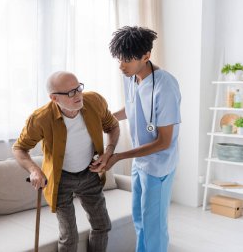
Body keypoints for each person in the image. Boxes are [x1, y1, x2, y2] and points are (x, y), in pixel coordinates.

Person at [93, 26, 181, 252]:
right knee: (140, 221)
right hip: (139, 162)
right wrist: (105, 118)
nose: (122, 66)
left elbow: (164, 142)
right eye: (120, 59)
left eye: (128, 60)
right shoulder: (131, 76)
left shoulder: (165, 86)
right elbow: (132, 107)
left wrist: (118, 156)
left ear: (146, 56)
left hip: (158, 166)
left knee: (154, 228)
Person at [12, 71, 120, 252]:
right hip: (60, 179)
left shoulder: (94, 102)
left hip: (90, 173)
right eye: (70, 93)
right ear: (54, 98)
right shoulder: (40, 118)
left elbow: (113, 125)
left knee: (102, 225)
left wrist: (109, 152)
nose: (78, 95)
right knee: (69, 237)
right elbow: (19, 148)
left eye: (78, 88)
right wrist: (34, 170)